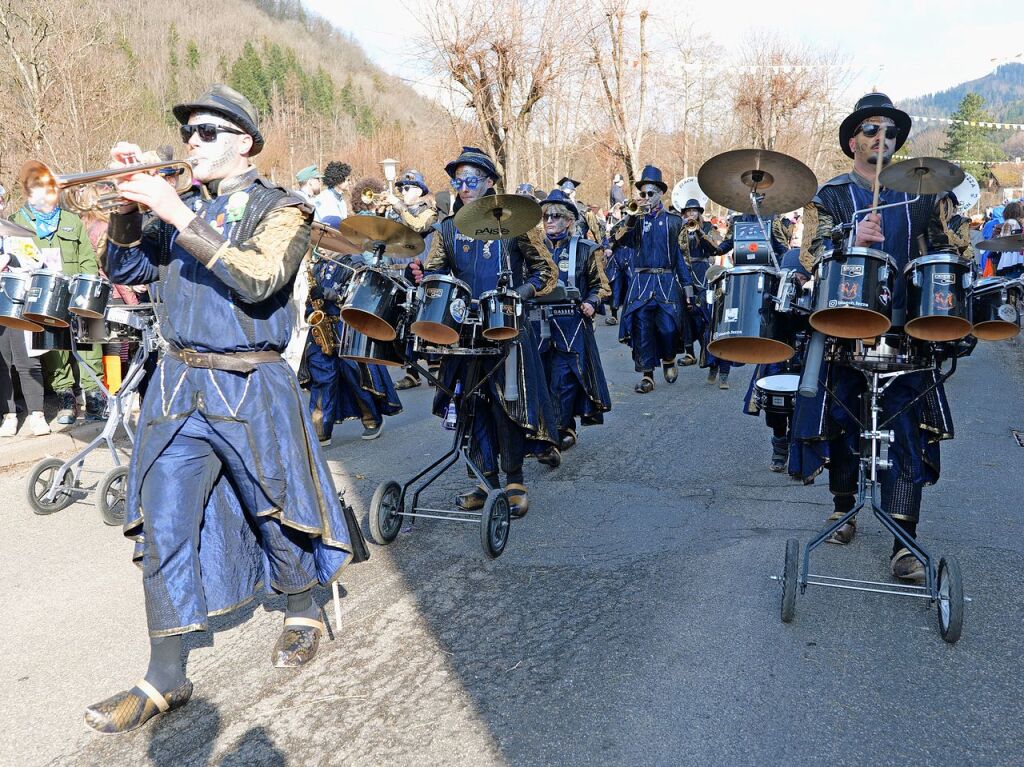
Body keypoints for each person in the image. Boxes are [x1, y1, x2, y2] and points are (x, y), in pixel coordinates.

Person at [88, 84, 367, 734]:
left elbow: (259, 277)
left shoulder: (285, 209)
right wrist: (132, 206)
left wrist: (178, 216)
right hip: (179, 384)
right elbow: (123, 264)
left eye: (206, 132)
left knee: (272, 509)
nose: (192, 143)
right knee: (163, 524)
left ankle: (301, 605)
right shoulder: (179, 202)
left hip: (251, 384)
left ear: (243, 141)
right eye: (188, 133)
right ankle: (165, 675)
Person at [793, 92, 972, 582]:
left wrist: (954, 229)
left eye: (890, 132)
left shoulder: (922, 191)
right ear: (853, 140)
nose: (881, 138)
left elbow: (951, 247)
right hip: (845, 319)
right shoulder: (829, 194)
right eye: (871, 129)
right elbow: (811, 253)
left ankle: (903, 540)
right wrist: (852, 237)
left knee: (905, 429)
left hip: (905, 326)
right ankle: (843, 507)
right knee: (845, 415)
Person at [411, 146, 559, 517]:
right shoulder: (446, 228)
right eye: (457, 182)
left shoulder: (516, 223)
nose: (463, 188)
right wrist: (426, 280)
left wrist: (519, 293)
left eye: (471, 180)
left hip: (506, 327)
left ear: (490, 182)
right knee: (469, 406)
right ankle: (482, 480)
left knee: (507, 406)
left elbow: (547, 272)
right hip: (462, 332)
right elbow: (436, 272)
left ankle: (514, 481)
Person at [13, 162, 106, 423]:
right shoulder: (18, 222)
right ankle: (66, 401)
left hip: (78, 293)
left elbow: (88, 258)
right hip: (45, 297)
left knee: (91, 345)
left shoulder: (71, 219)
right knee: (54, 352)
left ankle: (95, 400)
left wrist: (85, 284)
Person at [298, 217, 402, 443]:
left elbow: (356, 294)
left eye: (326, 238)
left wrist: (327, 295)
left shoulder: (354, 263)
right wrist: (310, 309)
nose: (321, 243)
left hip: (347, 328)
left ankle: (372, 419)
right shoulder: (318, 266)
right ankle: (319, 430)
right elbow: (311, 302)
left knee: (356, 375)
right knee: (321, 377)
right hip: (322, 329)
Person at [535, 189, 611, 453]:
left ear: (569, 220)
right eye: (545, 216)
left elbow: (601, 286)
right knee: (540, 377)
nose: (549, 221)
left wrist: (592, 302)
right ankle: (545, 429)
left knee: (564, 379)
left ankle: (559, 431)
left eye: (555, 216)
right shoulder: (533, 249)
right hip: (537, 323)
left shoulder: (587, 249)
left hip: (572, 324)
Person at [611, 165, 693, 393]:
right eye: (643, 194)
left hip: (666, 284)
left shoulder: (674, 222)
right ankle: (647, 376)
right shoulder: (635, 220)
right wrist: (630, 217)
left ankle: (668, 358)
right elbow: (618, 241)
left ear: (660, 194)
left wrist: (688, 289)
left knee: (668, 328)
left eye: (650, 193)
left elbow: (679, 258)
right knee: (642, 331)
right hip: (641, 284)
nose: (646, 198)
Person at [741, 248, 810, 473]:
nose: (797, 282)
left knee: (802, 409)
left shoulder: (812, 294)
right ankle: (779, 449)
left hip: (803, 359)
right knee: (775, 410)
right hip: (777, 360)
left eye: (801, 278)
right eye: (793, 276)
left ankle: (798, 453)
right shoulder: (773, 295)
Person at [385, 170, 439, 391]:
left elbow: (419, 227)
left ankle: (435, 366)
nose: (403, 192)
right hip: (405, 271)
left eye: (408, 188)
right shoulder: (398, 214)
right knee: (406, 320)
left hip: (426, 271)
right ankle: (411, 371)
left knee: (428, 318)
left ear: (419, 190)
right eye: (401, 189)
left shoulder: (430, 213)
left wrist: (398, 206)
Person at [675, 197, 730, 388]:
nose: (691, 214)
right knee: (685, 315)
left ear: (699, 212)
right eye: (687, 211)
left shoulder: (707, 228)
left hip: (703, 274)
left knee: (708, 317)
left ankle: (713, 361)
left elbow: (716, 249)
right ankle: (691, 351)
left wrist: (699, 231)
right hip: (683, 274)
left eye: (694, 211)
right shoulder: (679, 229)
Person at [0, 240, 49, 437]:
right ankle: (8, 416)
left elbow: (37, 261)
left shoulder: (17, 235)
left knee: (27, 361)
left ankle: (37, 414)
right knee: (1, 364)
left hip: (18, 300)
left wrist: (10, 258)